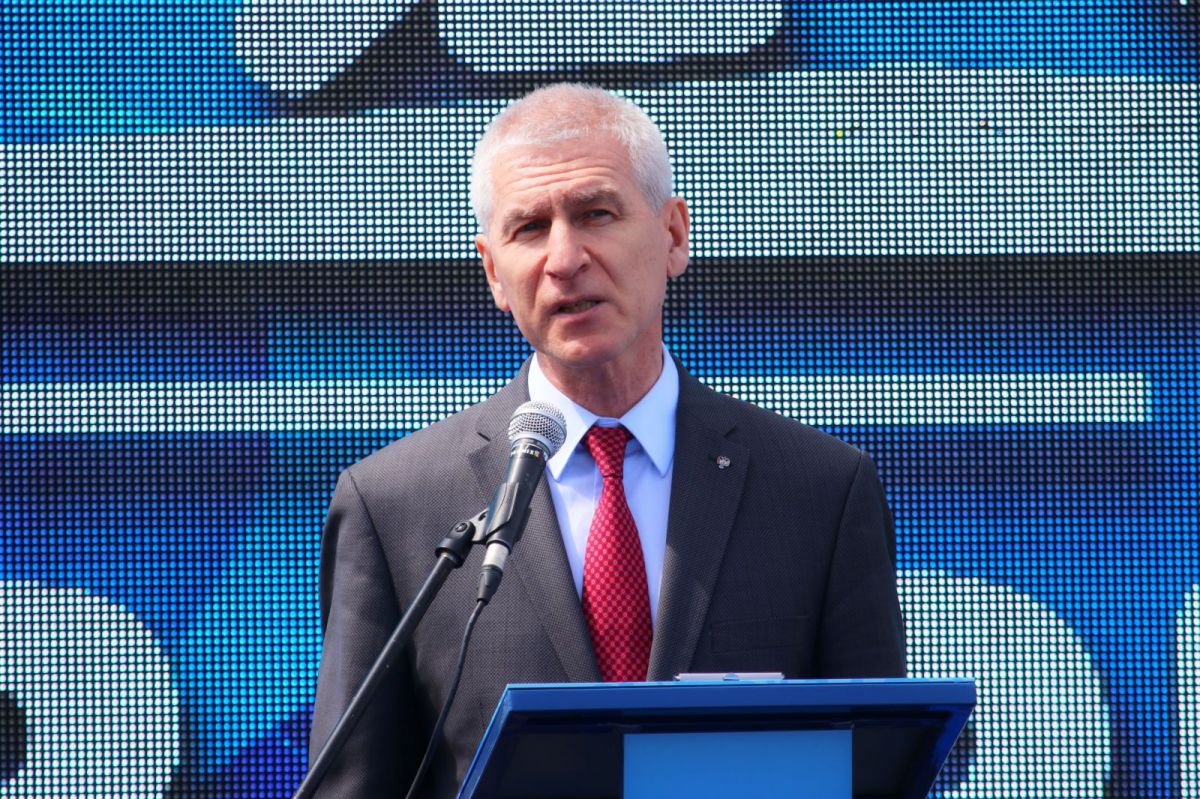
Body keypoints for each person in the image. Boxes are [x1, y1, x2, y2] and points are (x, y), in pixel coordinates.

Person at [309, 83, 906, 797]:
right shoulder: (394, 503)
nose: (564, 258)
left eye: (596, 213)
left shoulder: (819, 488)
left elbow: (874, 769)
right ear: (494, 272)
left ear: (674, 235)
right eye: (530, 228)